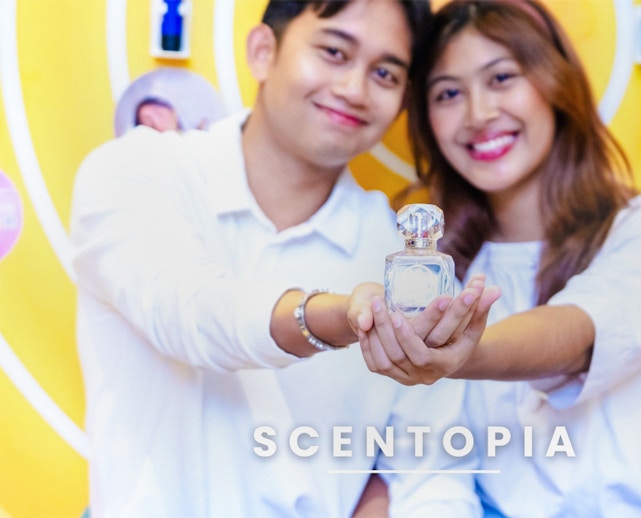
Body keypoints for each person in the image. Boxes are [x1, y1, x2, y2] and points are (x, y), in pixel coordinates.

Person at [70, 1, 495, 516]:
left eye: (384, 73)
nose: (354, 89)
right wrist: (339, 317)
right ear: (262, 51)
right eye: (334, 52)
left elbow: (432, 474)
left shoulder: (405, 264)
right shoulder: (135, 173)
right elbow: (191, 311)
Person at [358, 1, 641, 515]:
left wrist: (460, 354)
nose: (478, 114)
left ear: (556, 82)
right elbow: (429, 470)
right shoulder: (432, 273)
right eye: (448, 93)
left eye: (501, 78)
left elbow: (579, 333)